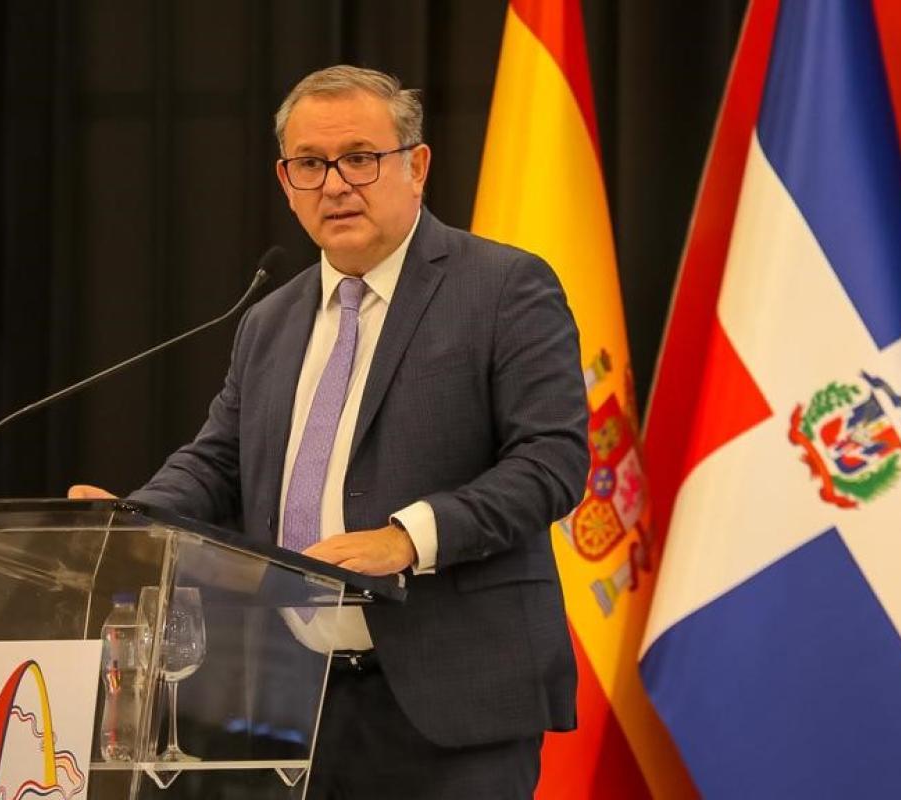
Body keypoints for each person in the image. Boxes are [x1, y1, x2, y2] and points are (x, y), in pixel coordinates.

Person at [71, 65, 589, 798]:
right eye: (311, 164)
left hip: (451, 702)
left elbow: (551, 461)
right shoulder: (269, 321)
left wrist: (409, 536)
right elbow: (219, 462)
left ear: (417, 166)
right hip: (290, 704)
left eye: (360, 158)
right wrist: (133, 521)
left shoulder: (503, 288)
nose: (336, 184)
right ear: (286, 182)